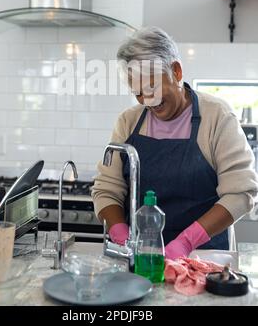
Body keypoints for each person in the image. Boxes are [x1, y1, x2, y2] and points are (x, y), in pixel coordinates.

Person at [91, 27, 258, 260]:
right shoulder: (128, 122)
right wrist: (122, 237)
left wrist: (186, 242)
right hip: (141, 258)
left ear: (176, 71)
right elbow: (106, 190)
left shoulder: (217, 116)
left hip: (204, 258)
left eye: (152, 88)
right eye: (138, 93)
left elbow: (241, 193)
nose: (147, 100)